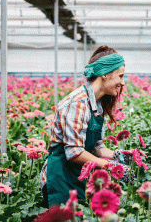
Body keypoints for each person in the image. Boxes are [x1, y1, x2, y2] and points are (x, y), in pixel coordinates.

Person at [40, 45, 133, 207]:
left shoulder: (96, 104)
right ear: (105, 74)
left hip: (78, 174)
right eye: (120, 76)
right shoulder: (78, 103)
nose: (122, 82)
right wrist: (112, 166)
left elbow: (97, 146)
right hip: (60, 176)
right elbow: (74, 153)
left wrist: (120, 156)